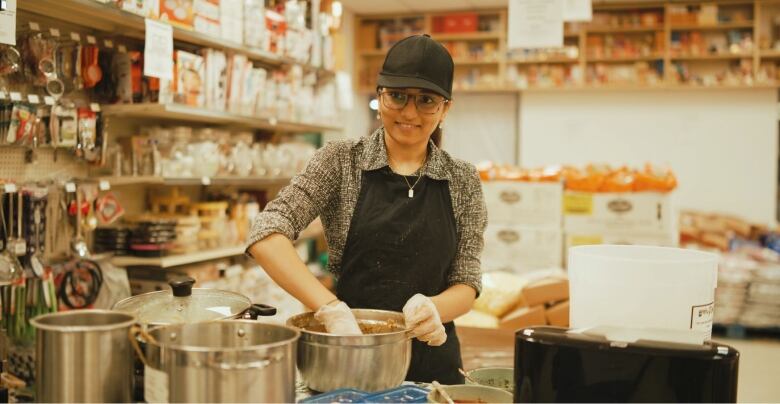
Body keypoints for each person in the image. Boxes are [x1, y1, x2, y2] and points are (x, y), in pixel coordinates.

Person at [247, 34, 487, 384]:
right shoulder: (341, 161)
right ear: (379, 96)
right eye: (398, 96)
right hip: (350, 355)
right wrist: (328, 307)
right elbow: (265, 232)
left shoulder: (463, 179)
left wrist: (436, 309)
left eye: (426, 101)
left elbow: (467, 281)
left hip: (433, 367)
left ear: (446, 108)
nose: (409, 113)